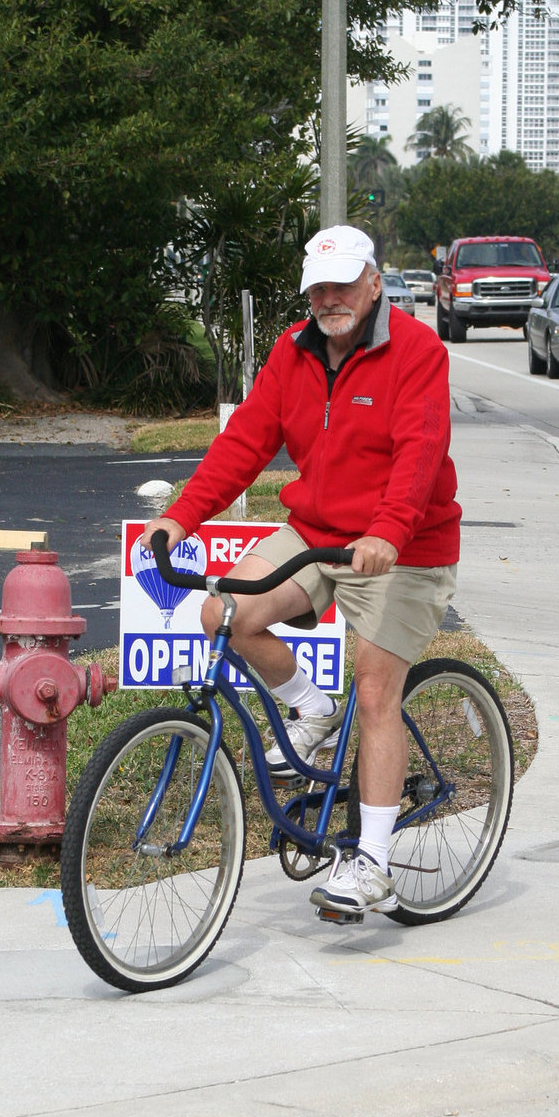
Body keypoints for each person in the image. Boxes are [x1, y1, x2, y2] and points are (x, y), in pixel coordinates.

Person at [141, 225, 460, 918]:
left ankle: (372, 860)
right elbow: (243, 444)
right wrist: (179, 516)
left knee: (376, 694)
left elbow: (420, 453)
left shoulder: (416, 350)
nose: (328, 298)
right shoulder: (292, 352)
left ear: (374, 281)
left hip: (403, 544)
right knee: (223, 613)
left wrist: (387, 531)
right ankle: (312, 706)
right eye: (317, 288)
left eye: (342, 284)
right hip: (318, 531)